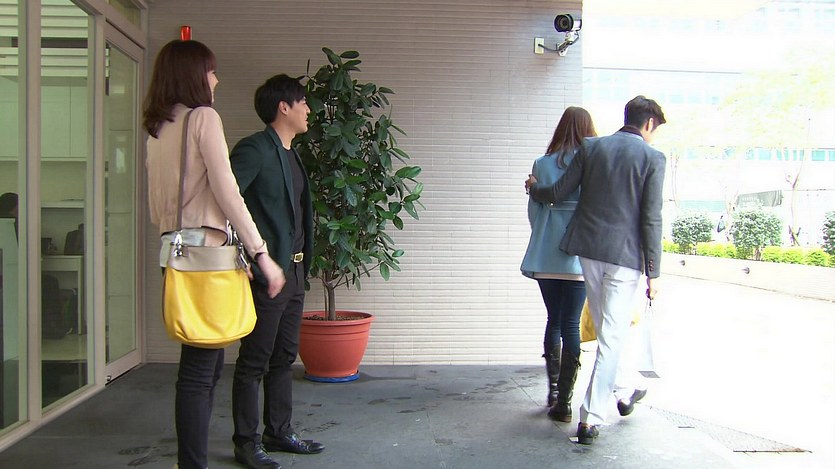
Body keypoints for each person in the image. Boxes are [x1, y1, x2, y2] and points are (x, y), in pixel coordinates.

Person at [143, 39, 286, 469]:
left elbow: (156, 206)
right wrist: (260, 252)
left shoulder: (158, 128)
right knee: (200, 372)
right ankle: (191, 464)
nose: (216, 80)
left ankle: (191, 461)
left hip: (177, 254)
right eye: (210, 71)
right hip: (207, 257)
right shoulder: (203, 118)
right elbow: (228, 192)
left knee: (199, 365)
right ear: (193, 75)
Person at [525, 95, 666, 445]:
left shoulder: (592, 148)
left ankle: (626, 388)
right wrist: (654, 272)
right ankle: (590, 418)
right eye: (656, 129)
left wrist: (533, 188)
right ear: (649, 123)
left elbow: (558, 192)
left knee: (605, 328)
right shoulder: (652, 157)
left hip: (587, 251)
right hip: (624, 256)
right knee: (611, 335)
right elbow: (651, 218)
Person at [229, 74, 323, 469]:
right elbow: (224, 203)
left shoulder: (292, 154)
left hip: (295, 273)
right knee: (255, 359)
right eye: (302, 102)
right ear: (283, 107)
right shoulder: (254, 149)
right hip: (268, 275)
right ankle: (245, 442)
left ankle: (278, 431)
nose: (308, 110)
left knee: (284, 356)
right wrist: (246, 259)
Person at [520, 107, 597, 423]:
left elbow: (534, 213)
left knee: (553, 319)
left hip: (546, 252)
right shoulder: (594, 162)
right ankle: (565, 402)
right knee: (571, 324)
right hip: (579, 254)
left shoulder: (542, 163)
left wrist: (545, 234)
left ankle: (552, 392)